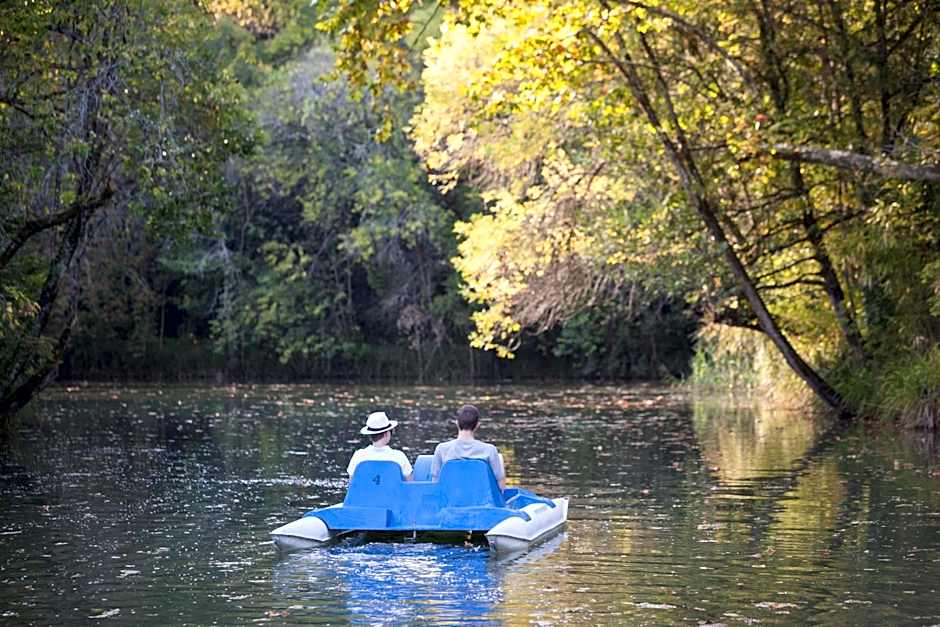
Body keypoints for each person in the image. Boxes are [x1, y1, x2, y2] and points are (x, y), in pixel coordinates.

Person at [431, 404, 506, 489]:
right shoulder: (489, 450)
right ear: (477, 425)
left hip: (450, 500)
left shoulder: (442, 449)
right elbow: (500, 485)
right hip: (482, 501)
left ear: (457, 423)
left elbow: (435, 483)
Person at [347, 411, 413, 481]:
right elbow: (410, 484)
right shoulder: (399, 456)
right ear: (386, 434)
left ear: (370, 435)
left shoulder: (358, 456)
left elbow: (352, 485)